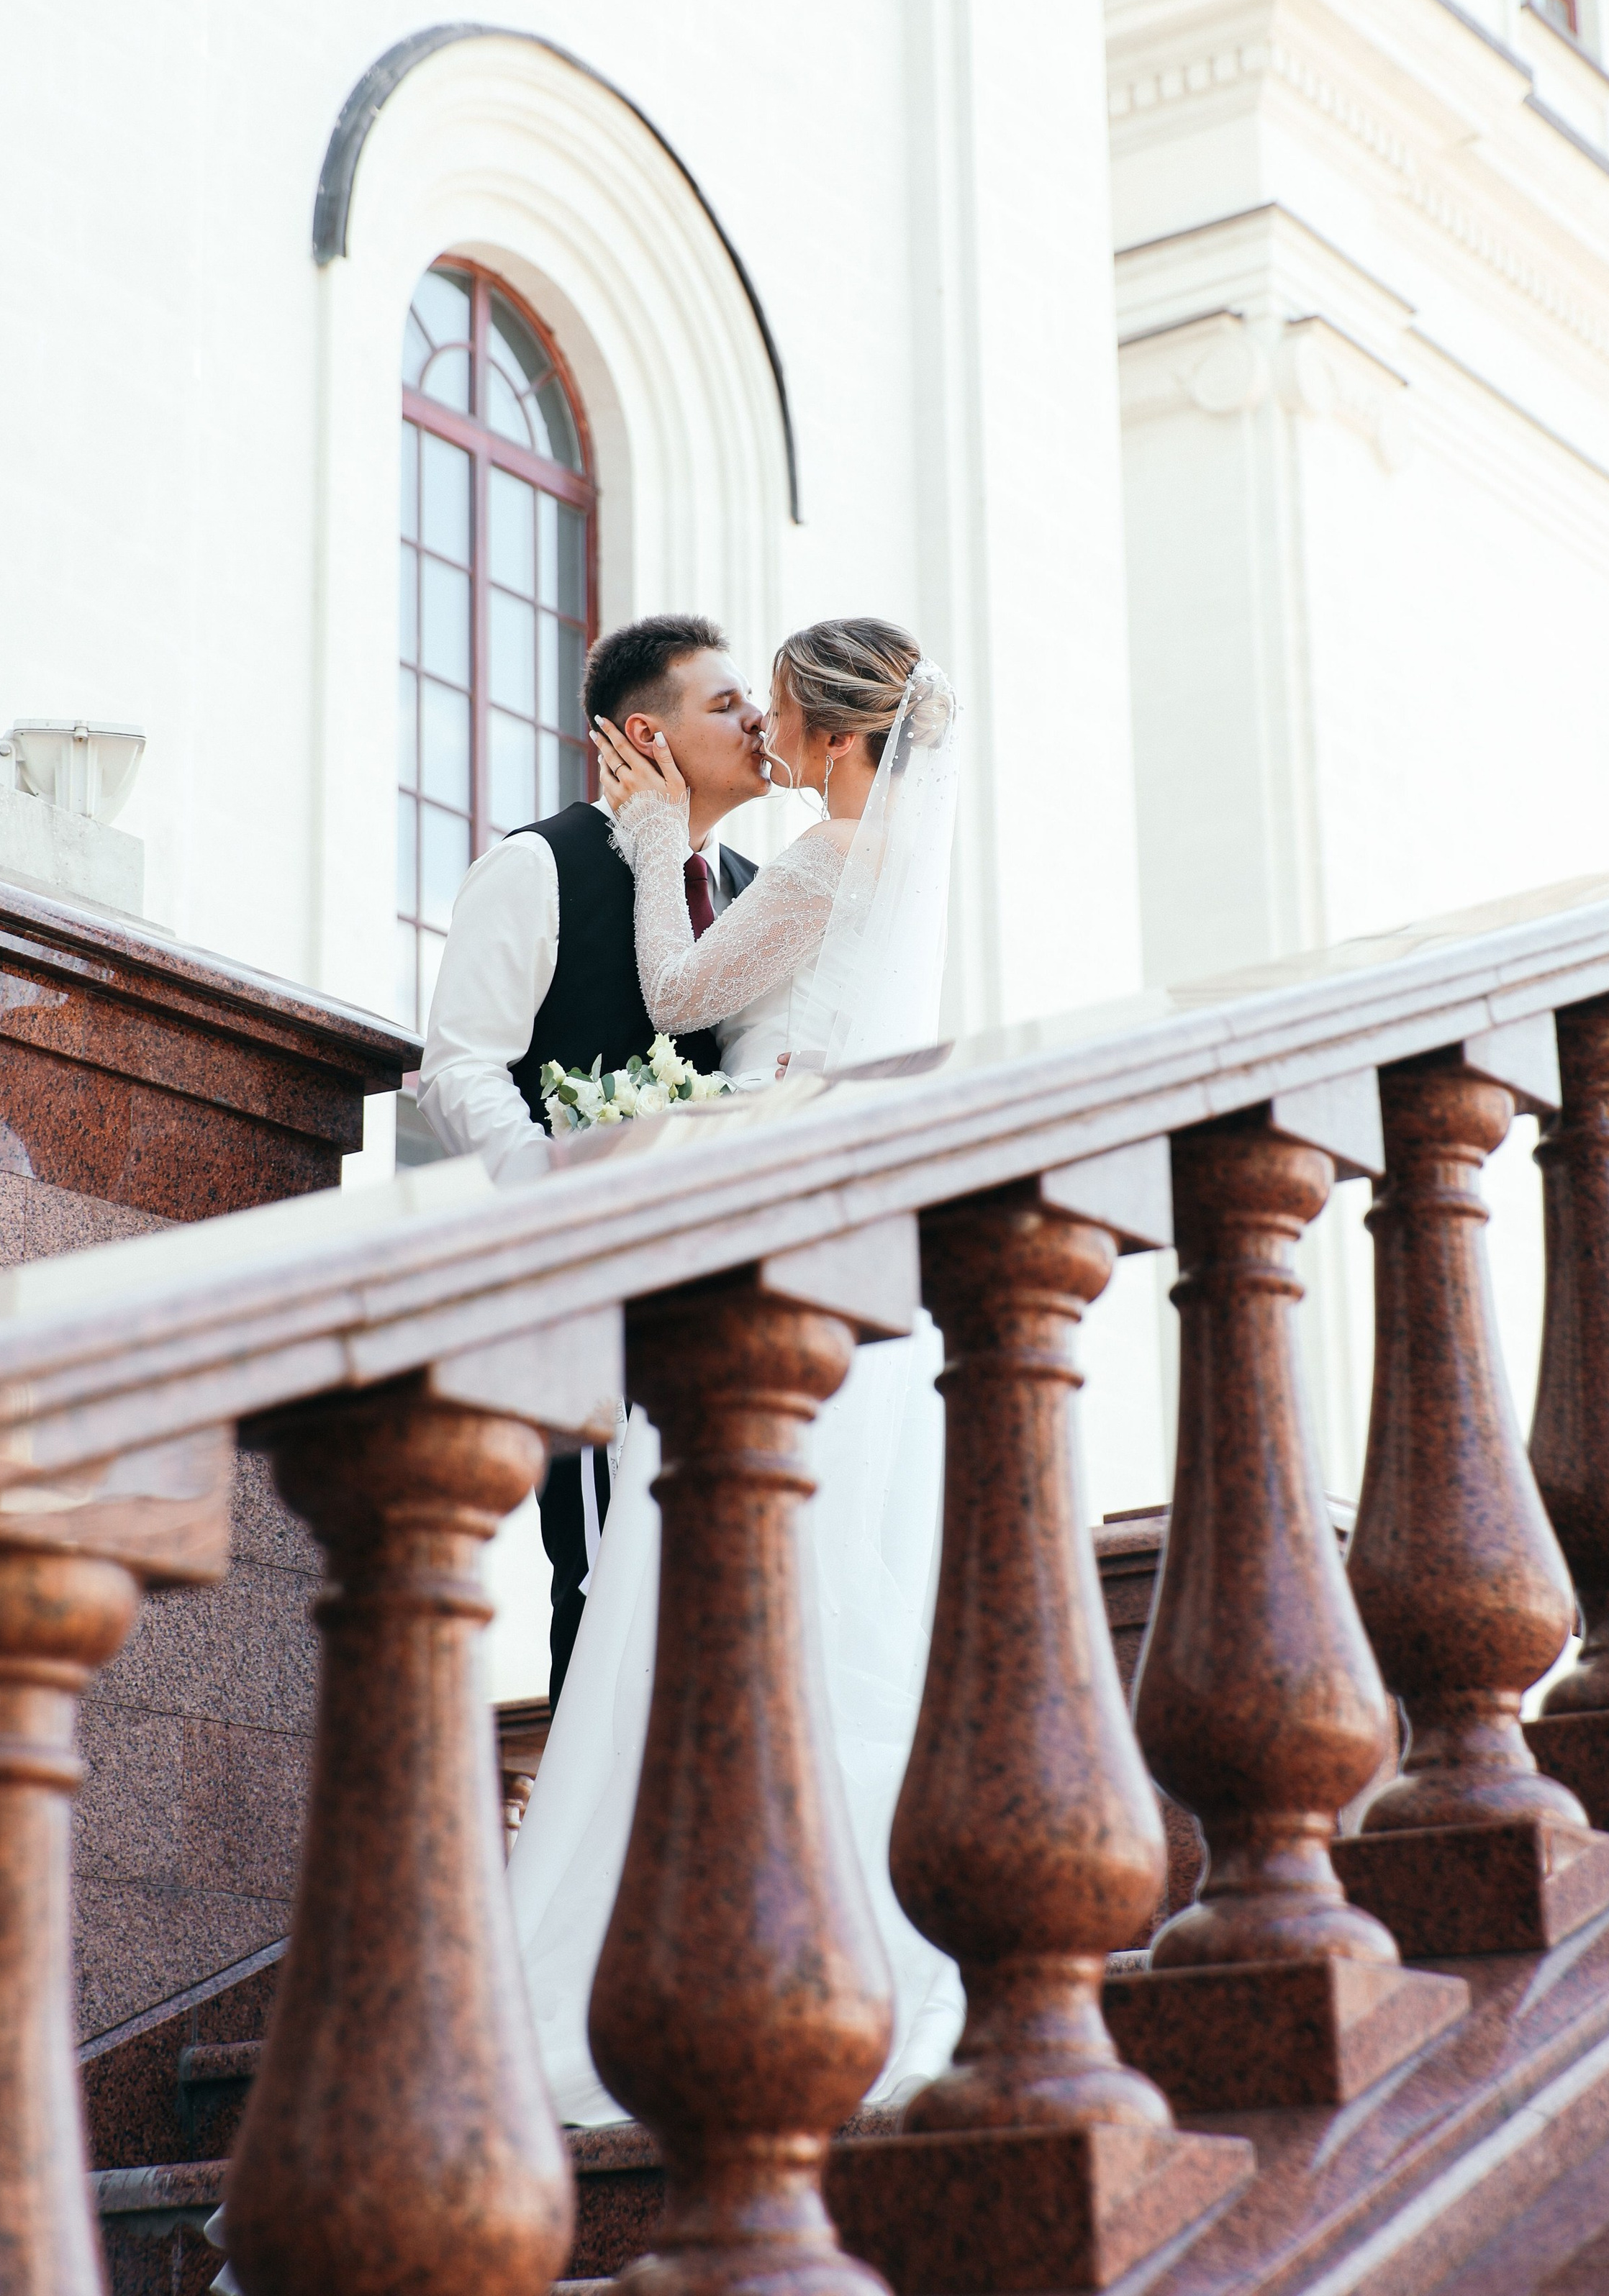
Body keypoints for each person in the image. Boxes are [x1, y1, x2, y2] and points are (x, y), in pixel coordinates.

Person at [508, 617, 966, 2122]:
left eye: (770, 716)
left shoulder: (829, 859)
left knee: (714, 1574)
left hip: (766, 1257)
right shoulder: (883, 864)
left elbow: (681, 999)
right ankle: (823, 1933)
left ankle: (693, 1929)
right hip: (842, 1262)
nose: (761, 743)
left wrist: (648, 844)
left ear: (838, 740)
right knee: (814, 1592)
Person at [417, 611, 771, 1707]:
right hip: (578, 1289)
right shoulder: (536, 865)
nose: (758, 717)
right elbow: (463, 1065)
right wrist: (558, 1200)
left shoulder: (762, 890)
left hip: (716, 1292)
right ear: (643, 736)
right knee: (602, 1576)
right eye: (724, 703)